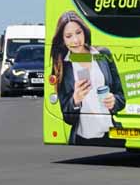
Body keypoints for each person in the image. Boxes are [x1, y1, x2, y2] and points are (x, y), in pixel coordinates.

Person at [50, 11, 125, 146]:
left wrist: (114, 101)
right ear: (63, 40)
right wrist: (76, 100)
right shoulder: (62, 67)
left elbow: (121, 97)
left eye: (78, 33)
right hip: (82, 140)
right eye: (68, 36)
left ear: (84, 32)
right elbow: (67, 118)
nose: (76, 40)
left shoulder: (102, 54)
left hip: (112, 136)